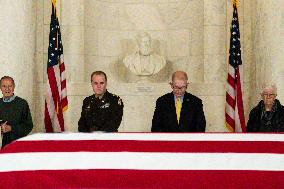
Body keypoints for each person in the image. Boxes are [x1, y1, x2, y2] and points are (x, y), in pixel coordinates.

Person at [0, 76, 33, 148]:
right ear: (0, 88)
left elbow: (28, 126)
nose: (7, 89)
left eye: (10, 86)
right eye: (4, 86)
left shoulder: (22, 104)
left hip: (17, 147)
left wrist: (11, 128)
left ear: (14, 87)